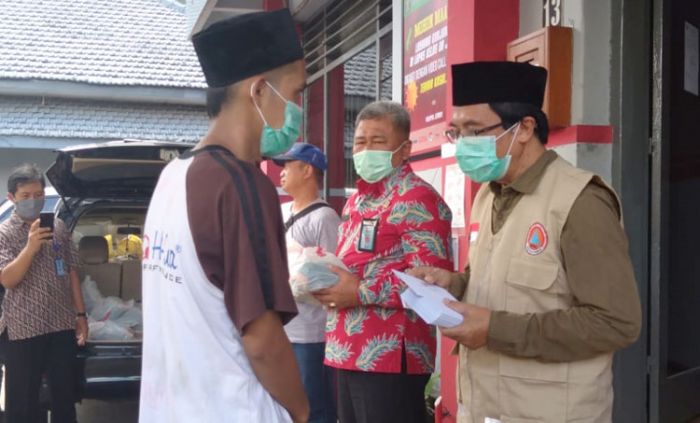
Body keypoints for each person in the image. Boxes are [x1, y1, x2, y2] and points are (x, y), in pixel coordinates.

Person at [410, 61, 642, 423]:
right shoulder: (488, 195)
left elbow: (615, 322)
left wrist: (494, 329)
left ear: (524, 128)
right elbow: (494, 279)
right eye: (456, 132)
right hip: (485, 408)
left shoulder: (580, 201)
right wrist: (454, 283)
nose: (463, 145)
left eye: (474, 131)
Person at [139, 9, 309, 423]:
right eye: (297, 92)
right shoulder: (241, 184)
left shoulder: (172, 175)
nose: (299, 107)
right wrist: (304, 412)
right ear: (259, 91)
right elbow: (262, 340)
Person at [313, 101, 453, 423]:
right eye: (360, 142)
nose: (366, 150)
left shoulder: (418, 198)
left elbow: (432, 282)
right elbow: (352, 265)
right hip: (345, 349)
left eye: (378, 141)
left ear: (405, 149)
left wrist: (360, 291)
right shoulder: (355, 201)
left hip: (390, 357)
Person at [0, 163, 88, 423]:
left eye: (38, 195)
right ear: (11, 198)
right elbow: (7, 279)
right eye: (26, 196)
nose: (34, 201)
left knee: (64, 399)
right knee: (22, 403)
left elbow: (71, 271)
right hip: (23, 328)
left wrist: (81, 314)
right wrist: (30, 247)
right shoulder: (3, 234)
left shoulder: (58, 227)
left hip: (61, 325)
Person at [274, 142, 341, 423]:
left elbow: (334, 274)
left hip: (311, 334)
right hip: (282, 329)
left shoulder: (325, 217)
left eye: (287, 165)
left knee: (314, 407)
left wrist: (302, 276)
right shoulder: (282, 211)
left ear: (307, 170)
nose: (281, 173)